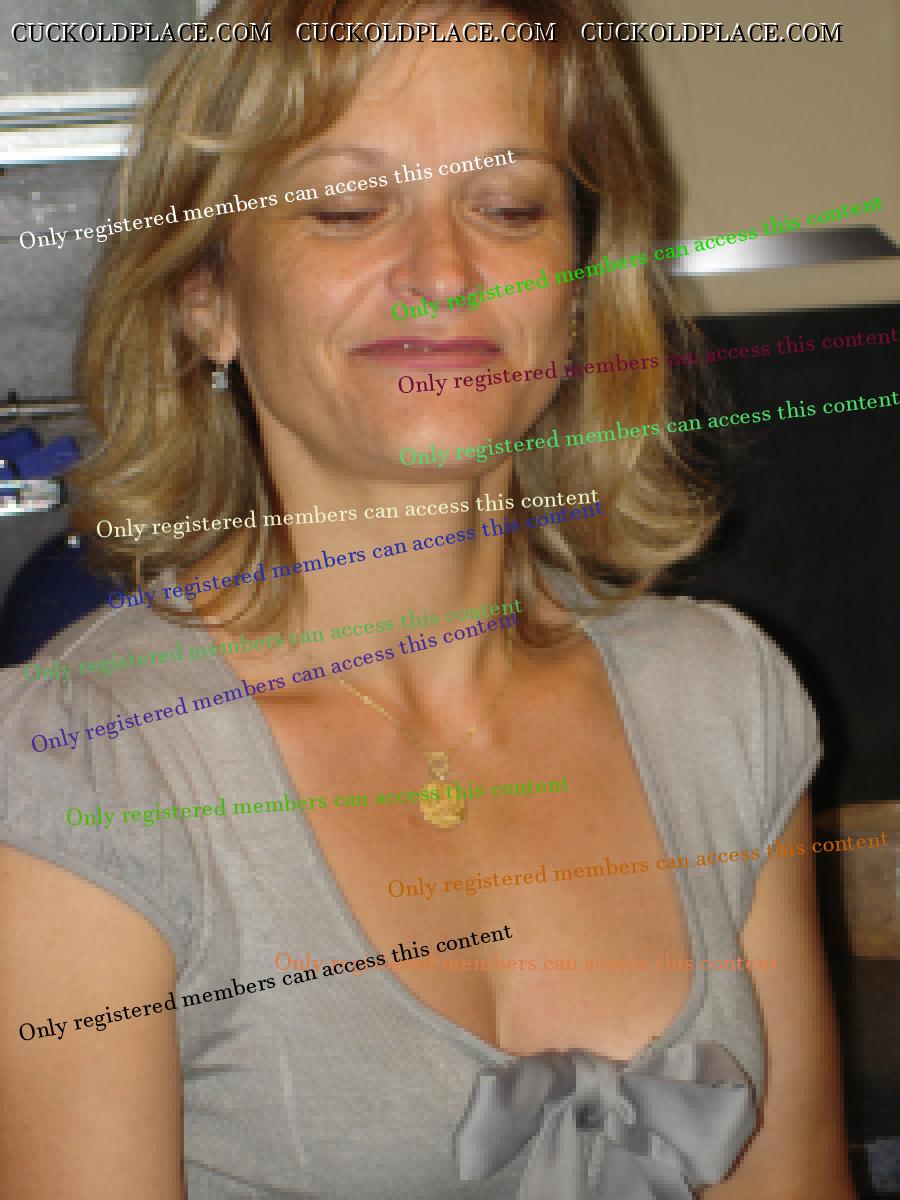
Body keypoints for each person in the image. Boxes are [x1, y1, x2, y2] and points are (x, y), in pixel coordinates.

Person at [0, 2, 857, 1196]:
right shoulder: (81, 768)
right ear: (209, 297)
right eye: (348, 211)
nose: (444, 273)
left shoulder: (727, 701)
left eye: (508, 207)